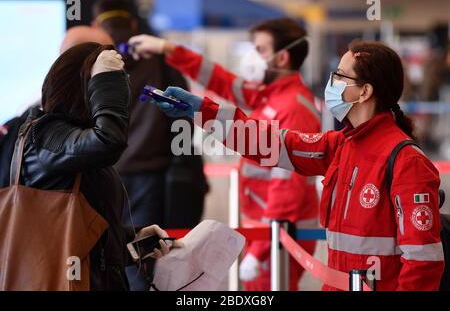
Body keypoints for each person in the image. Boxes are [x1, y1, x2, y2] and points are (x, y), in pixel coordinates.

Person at [150, 40, 445, 291]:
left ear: (364, 92)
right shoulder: (341, 145)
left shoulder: (406, 161)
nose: (331, 83)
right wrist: (203, 111)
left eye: (340, 76)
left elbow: (424, 262)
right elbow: (271, 142)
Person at [129, 17, 320, 291]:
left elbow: (287, 190)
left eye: (260, 50)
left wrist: (260, 251)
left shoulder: (294, 108)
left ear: (282, 58)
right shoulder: (267, 96)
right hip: (265, 232)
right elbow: (219, 79)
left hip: (280, 236)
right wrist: (167, 48)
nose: (253, 57)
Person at [17, 42, 179, 291]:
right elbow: (109, 141)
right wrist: (108, 79)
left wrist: (131, 239)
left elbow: (79, 237)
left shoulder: (76, 142)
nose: (124, 91)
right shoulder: (45, 133)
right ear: (88, 86)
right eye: (115, 82)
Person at [92, 0, 207, 291]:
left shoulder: (91, 63)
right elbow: (184, 122)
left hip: (102, 175)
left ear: (96, 24)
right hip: (151, 179)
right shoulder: (162, 64)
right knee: (143, 260)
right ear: (133, 23)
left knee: (100, 256)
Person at [1, 26, 115, 188]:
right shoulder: (42, 122)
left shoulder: (44, 106)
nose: (116, 62)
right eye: (108, 59)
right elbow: (108, 143)